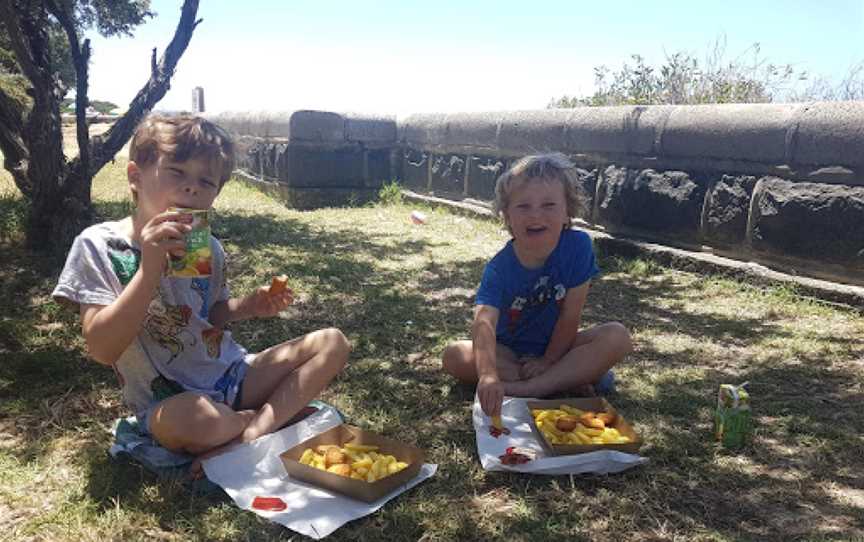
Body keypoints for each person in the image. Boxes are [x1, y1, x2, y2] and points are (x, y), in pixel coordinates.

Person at [52, 113, 349, 468]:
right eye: (177, 172)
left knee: (332, 342)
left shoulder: (207, 247)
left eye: (206, 181)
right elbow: (102, 349)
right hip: (172, 404)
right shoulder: (100, 246)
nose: (192, 188)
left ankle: (248, 436)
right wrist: (149, 269)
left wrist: (247, 306)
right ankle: (254, 421)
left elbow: (206, 317)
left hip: (232, 374)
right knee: (195, 422)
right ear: (136, 177)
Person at [441, 153, 632, 418]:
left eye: (548, 205)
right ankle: (567, 379)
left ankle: (532, 388)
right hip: (509, 355)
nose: (535, 215)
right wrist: (487, 375)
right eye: (523, 206)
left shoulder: (578, 247)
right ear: (507, 216)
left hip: (559, 348)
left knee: (617, 336)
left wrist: (548, 361)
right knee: (452, 355)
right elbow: (483, 324)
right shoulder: (499, 268)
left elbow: (570, 316)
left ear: (567, 212)